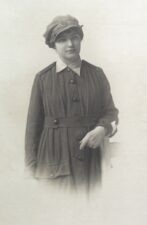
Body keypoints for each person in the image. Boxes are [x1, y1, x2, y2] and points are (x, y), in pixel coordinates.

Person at [25, 15, 119, 192]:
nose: (70, 44)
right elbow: (32, 129)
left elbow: (111, 113)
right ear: (53, 44)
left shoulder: (97, 74)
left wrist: (102, 129)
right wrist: (30, 172)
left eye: (74, 37)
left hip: (92, 164)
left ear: (80, 39)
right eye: (62, 40)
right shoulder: (42, 79)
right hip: (53, 165)